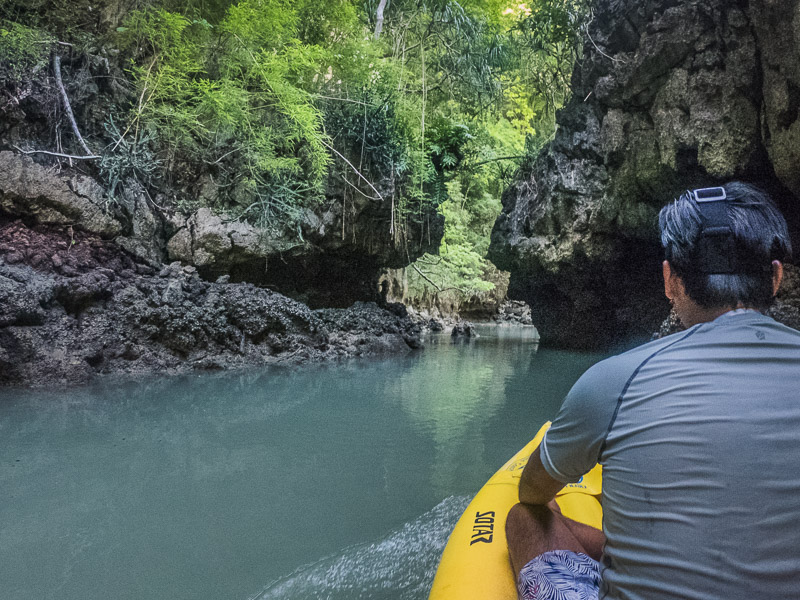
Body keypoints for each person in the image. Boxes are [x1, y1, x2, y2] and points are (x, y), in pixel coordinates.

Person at [506, 182, 800, 600]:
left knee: (525, 517)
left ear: (670, 281)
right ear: (775, 277)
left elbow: (531, 491)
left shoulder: (614, 379)